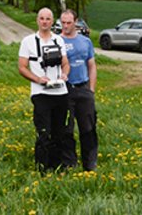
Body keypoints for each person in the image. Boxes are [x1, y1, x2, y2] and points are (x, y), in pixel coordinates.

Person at [18, 7, 76, 172]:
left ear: (52, 21)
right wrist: (38, 79)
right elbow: (22, 67)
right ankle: (42, 168)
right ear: (37, 20)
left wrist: (65, 74)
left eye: (48, 19)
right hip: (41, 93)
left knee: (60, 132)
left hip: (60, 92)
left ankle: (57, 167)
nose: (45, 22)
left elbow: (65, 63)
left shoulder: (58, 40)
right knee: (44, 132)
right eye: (42, 18)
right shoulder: (28, 41)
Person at [59, 9, 98, 171]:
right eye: (63, 22)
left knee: (88, 128)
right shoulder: (57, 41)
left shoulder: (85, 42)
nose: (66, 26)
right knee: (67, 129)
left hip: (83, 88)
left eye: (69, 22)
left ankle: (90, 164)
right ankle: (69, 163)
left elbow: (92, 65)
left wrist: (91, 89)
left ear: (75, 22)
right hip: (65, 90)